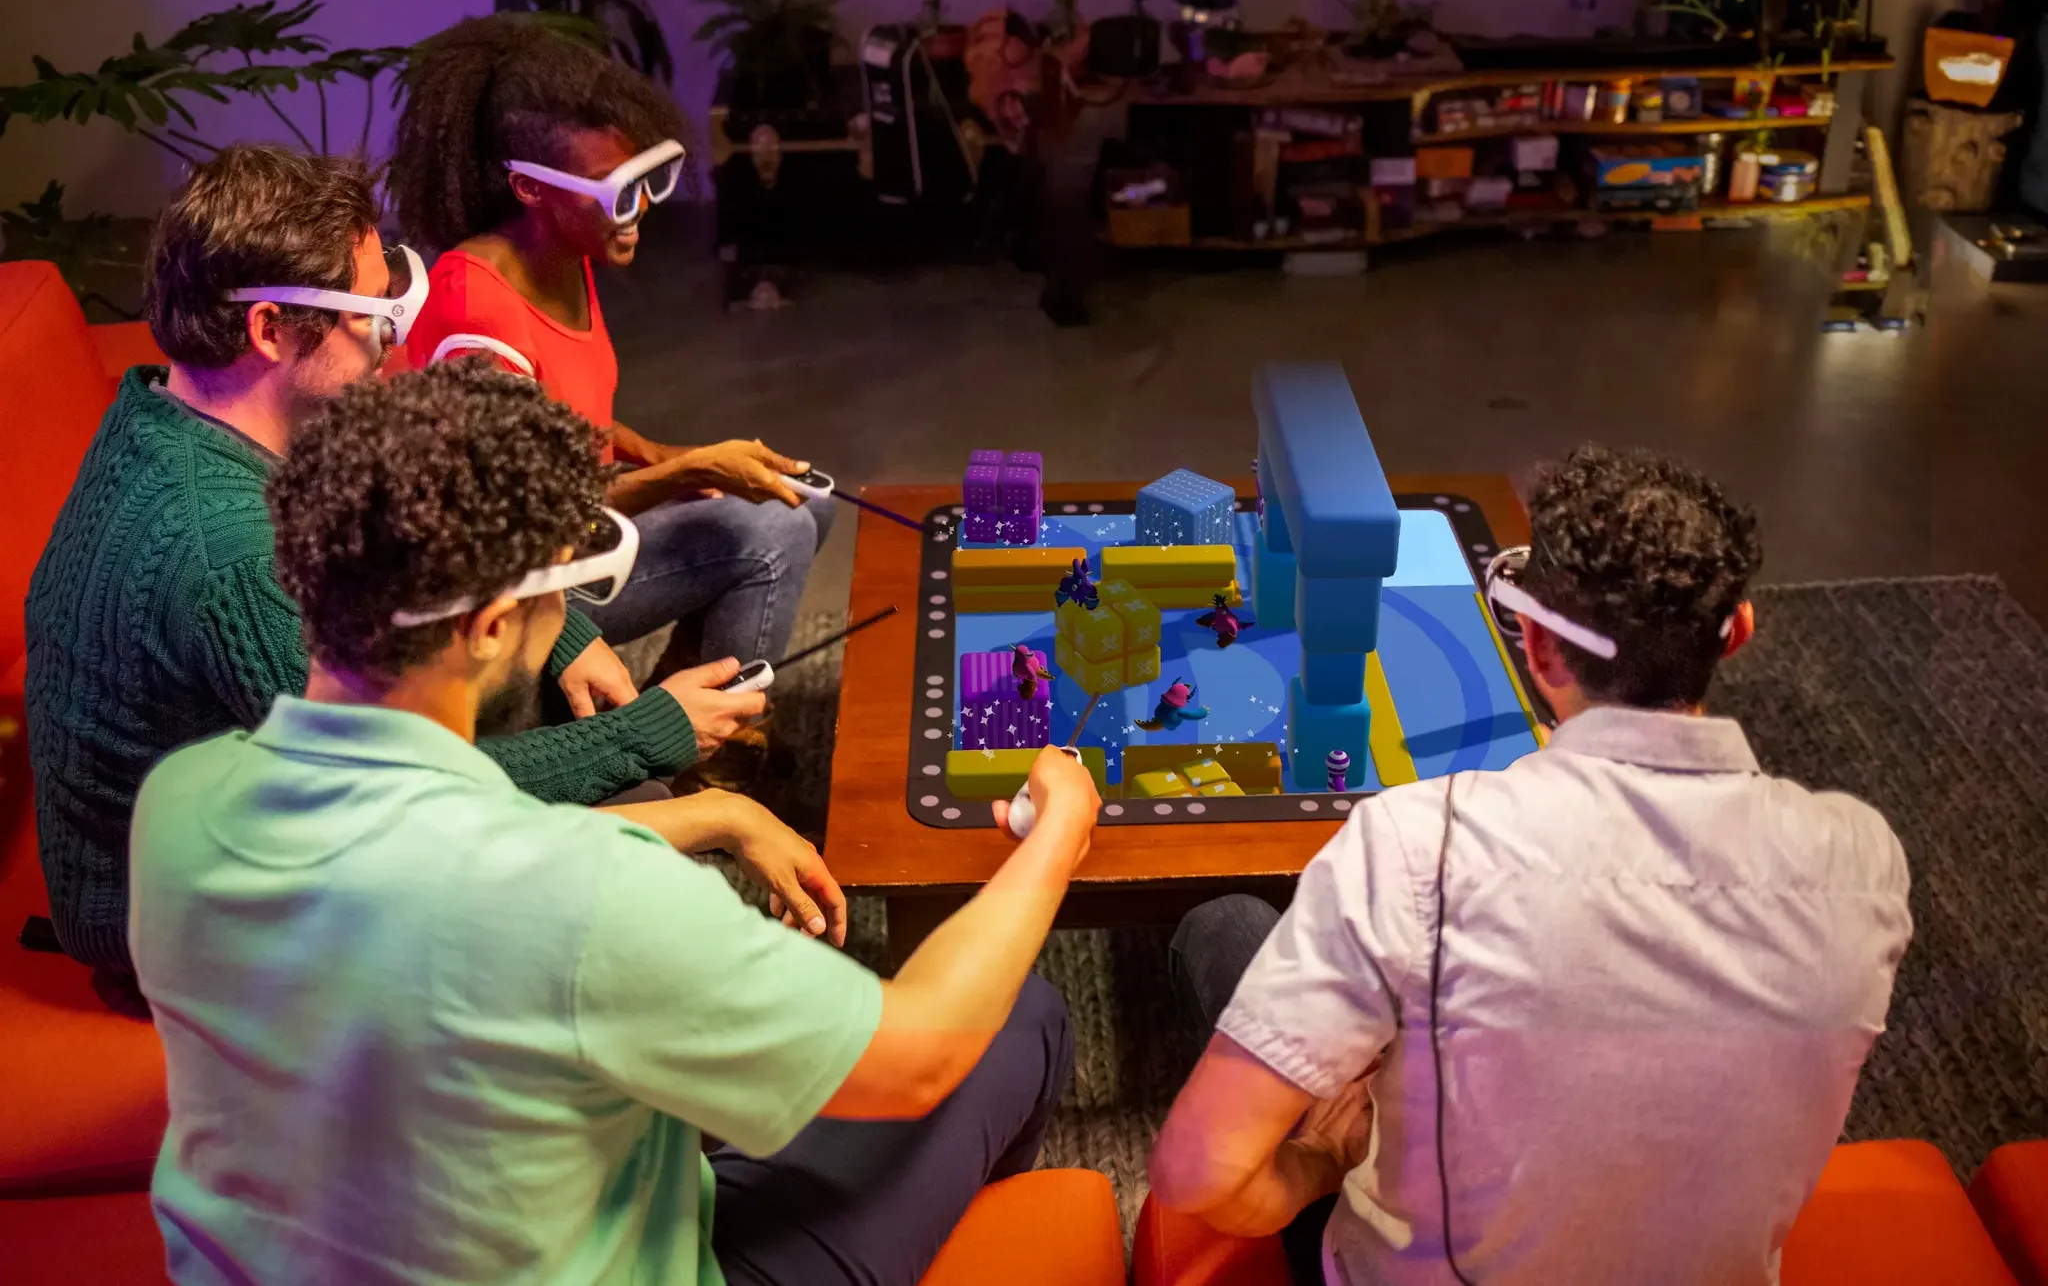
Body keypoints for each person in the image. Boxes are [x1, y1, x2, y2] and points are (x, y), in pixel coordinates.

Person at [130, 360, 1101, 1286]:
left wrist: (701, 814)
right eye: (566, 587)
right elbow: (917, 1054)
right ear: (491, 626)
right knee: (1018, 1016)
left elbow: (425, 849)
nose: (575, 610)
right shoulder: (585, 905)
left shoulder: (181, 801)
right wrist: (1054, 833)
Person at [1148, 447, 1914, 1286]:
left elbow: (1197, 1170)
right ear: (1736, 630)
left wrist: (1317, 1167)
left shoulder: (1414, 845)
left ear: (1539, 644)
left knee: (1225, 929)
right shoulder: (1864, 858)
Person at [23, 145, 757, 1000]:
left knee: (575, 729)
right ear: (269, 328)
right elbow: (403, 796)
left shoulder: (168, 409)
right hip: (204, 935)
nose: (391, 338)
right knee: (642, 842)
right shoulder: (231, 554)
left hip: (247, 821)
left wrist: (566, 636)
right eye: (368, 313)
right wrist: (656, 734)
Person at [390, 14, 831, 674]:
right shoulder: (477, 317)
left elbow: (556, 406)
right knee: (773, 532)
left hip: (578, 516)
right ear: (531, 188)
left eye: (654, 178)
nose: (645, 206)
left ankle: (684, 688)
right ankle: (718, 744)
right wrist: (683, 474)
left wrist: (646, 451)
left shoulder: (564, 252)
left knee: (807, 502)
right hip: (523, 584)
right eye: (622, 191)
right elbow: (520, 525)